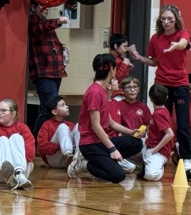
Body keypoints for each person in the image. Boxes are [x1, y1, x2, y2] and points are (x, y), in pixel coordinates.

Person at [129, 4, 191, 162]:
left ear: (176, 20)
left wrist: (176, 45)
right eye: (163, 19)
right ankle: (160, 152)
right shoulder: (156, 38)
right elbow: (154, 62)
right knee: (161, 120)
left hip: (180, 83)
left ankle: (185, 156)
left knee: (183, 123)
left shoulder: (182, 34)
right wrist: (139, 58)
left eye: (170, 19)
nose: (166, 22)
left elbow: (183, 43)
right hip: (162, 84)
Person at [67, 54, 143, 183]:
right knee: (118, 175)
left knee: (136, 143)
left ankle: (105, 162)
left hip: (100, 142)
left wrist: (131, 132)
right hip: (90, 144)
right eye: (115, 67)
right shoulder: (94, 93)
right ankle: (83, 163)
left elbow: (110, 122)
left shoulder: (103, 91)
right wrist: (112, 149)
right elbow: (96, 126)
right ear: (111, 69)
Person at [28, 0, 68, 136]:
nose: (46, 10)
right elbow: (40, 28)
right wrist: (58, 21)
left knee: (47, 108)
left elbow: (53, 42)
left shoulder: (46, 25)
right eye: (42, 6)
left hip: (55, 72)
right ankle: (38, 139)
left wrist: (63, 49)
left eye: (47, 7)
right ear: (33, 8)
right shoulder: (33, 22)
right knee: (49, 109)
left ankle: (42, 139)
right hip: (44, 73)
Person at [0, 98, 35, 189]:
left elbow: (30, 154)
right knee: (2, 140)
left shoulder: (22, 128)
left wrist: (14, 155)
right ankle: (9, 174)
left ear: (13, 114)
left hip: (23, 169)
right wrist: (4, 154)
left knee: (16, 137)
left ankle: (19, 174)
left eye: (3, 110)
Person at [141, 84, 175, 182]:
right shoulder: (162, 111)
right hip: (148, 146)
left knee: (151, 175)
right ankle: (147, 163)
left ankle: (157, 166)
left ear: (150, 98)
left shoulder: (158, 114)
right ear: (167, 97)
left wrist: (154, 150)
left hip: (158, 151)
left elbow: (170, 134)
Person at [36, 96, 75, 169]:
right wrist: (59, 147)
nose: (67, 106)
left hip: (71, 159)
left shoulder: (71, 125)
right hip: (54, 159)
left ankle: (77, 160)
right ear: (54, 112)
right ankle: (68, 153)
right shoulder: (47, 125)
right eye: (63, 105)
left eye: (66, 104)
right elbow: (41, 146)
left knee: (78, 126)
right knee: (62, 127)